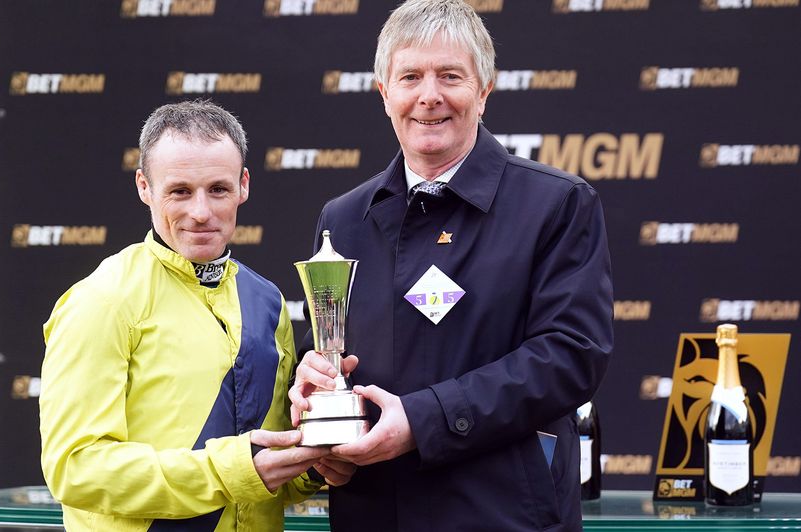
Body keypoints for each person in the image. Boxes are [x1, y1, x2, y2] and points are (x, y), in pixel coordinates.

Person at [289, 1, 614, 530]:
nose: (429, 95)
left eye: (450, 76)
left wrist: (422, 421)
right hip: (374, 513)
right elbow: (332, 351)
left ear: (483, 91)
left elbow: (570, 357)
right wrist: (316, 392)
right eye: (410, 76)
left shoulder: (556, 204)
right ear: (384, 94)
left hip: (505, 516)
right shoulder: (343, 220)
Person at [40, 100, 352, 532]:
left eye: (218, 189)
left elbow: (267, 470)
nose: (201, 212)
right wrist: (233, 471)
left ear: (244, 185)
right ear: (144, 187)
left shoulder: (266, 301)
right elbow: (75, 468)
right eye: (180, 191)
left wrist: (314, 463)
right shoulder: (103, 299)